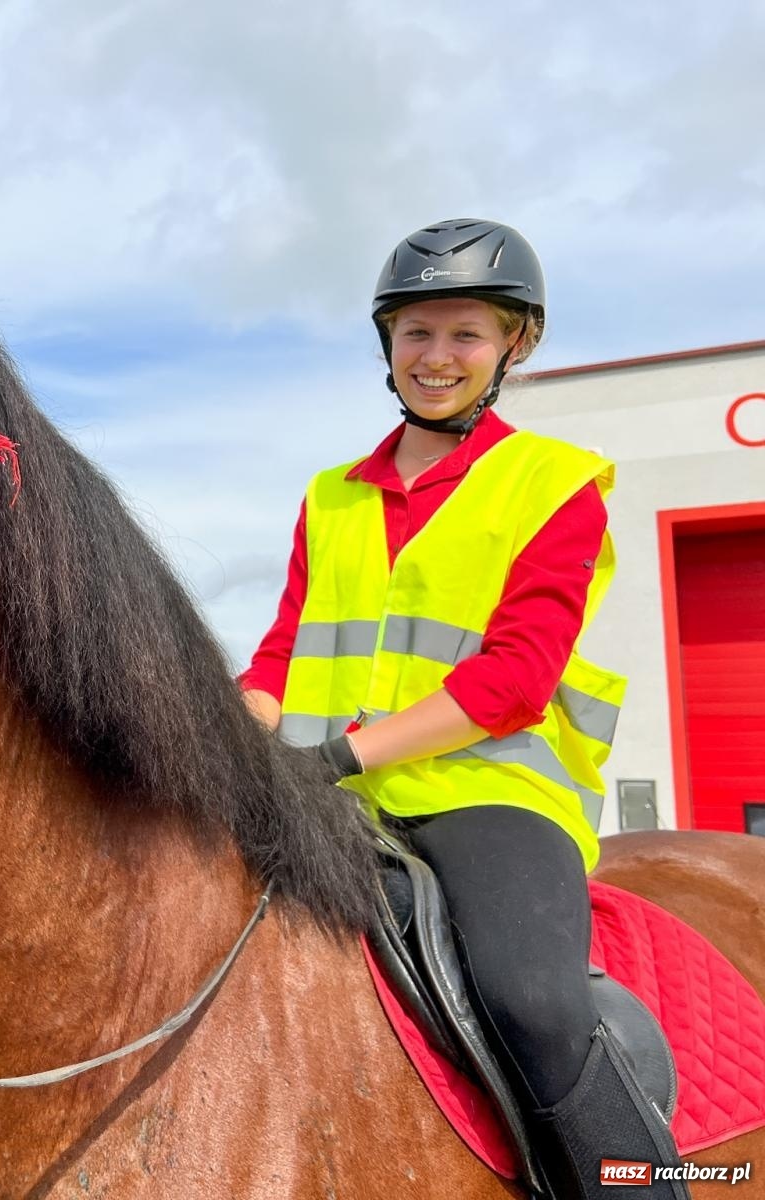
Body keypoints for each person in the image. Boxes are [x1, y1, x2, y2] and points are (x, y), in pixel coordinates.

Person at [241, 219, 686, 1198]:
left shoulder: (553, 483)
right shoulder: (331, 497)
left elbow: (515, 677)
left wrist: (336, 758)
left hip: (485, 798)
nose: (436, 358)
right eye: (415, 335)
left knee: (531, 998)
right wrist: (230, 734)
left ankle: (638, 1186)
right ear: (386, 346)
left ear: (510, 348)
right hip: (329, 805)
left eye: (464, 336)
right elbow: (280, 653)